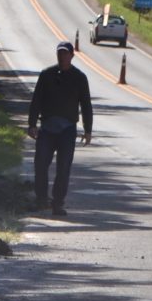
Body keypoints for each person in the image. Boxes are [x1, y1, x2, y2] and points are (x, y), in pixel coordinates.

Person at [27, 40, 93, 215]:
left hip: (67, 130)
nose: (62, 56)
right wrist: (32, 124)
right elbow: (36, 100)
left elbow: (86, 105)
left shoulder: (79, 78)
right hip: (47, 128)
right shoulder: (46, 75)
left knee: (63, 168)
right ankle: (41, 200)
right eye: (60, 53)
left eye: (65, 53)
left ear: (72, 56)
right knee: (40, 165)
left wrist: (88, 130)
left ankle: (58, 203)